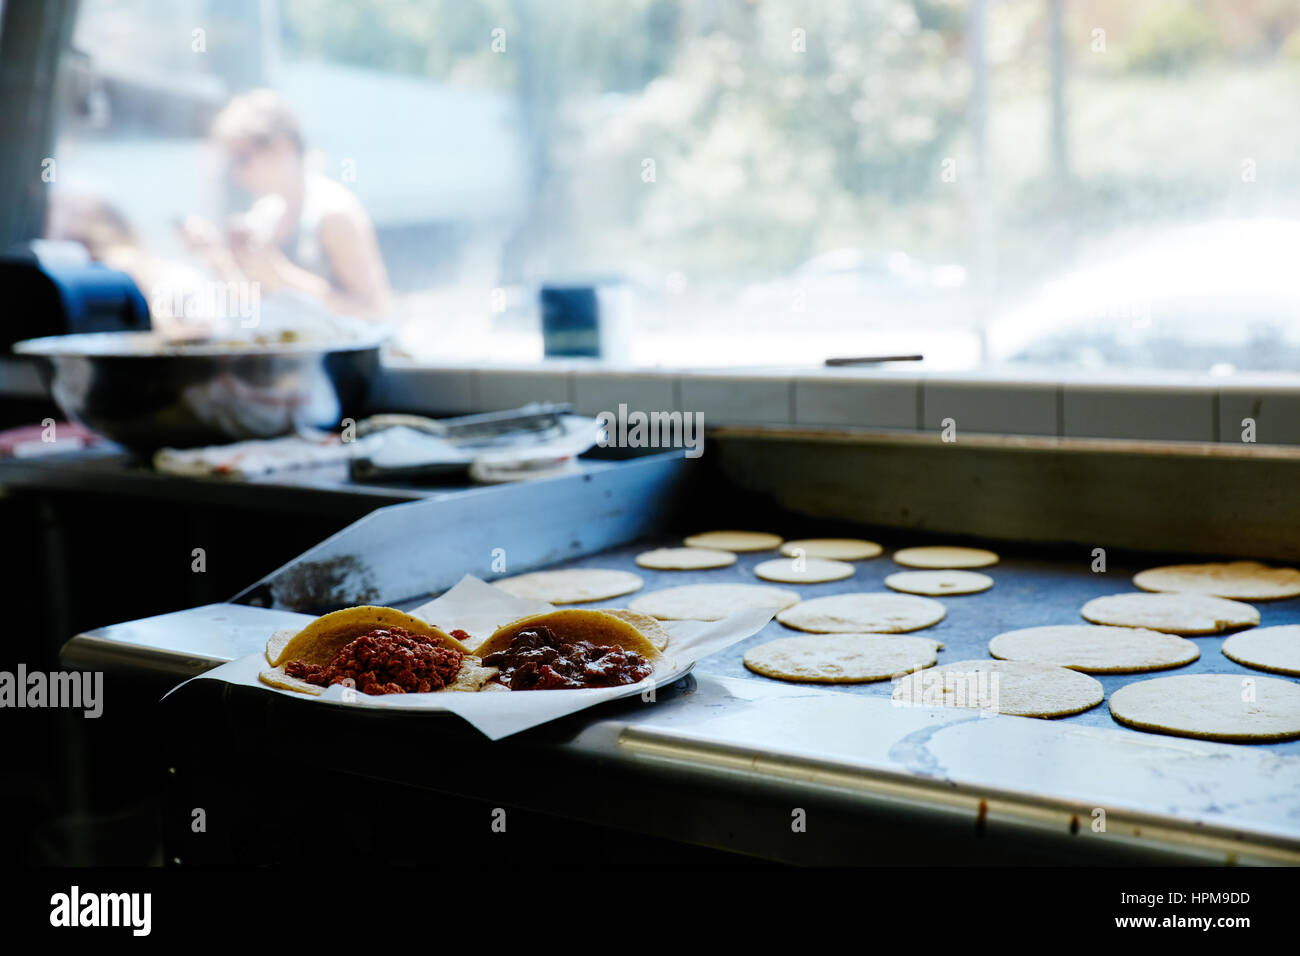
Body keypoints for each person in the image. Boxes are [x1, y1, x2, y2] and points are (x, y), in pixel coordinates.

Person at [182, 89, 393, 319]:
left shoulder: (333, 213)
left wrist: (282, 277)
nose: (237, 173)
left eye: (242, 158)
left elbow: (375, 312)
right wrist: (219, 260)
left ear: (283, 146)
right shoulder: (266, 212)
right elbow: (260, 309)